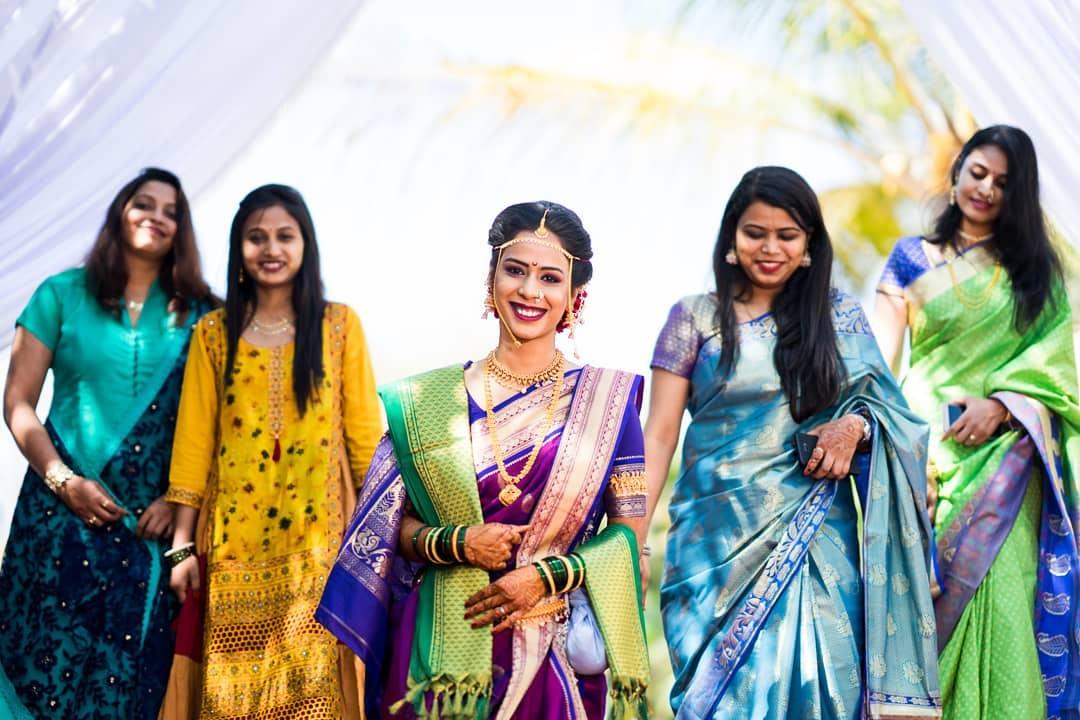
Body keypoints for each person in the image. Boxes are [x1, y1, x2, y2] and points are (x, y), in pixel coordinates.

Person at [316, 201, 650, 719]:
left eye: (549, 278)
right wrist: (454, 540)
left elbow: (627, 537)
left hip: (553, 649)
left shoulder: (608, 401)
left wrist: (547, 576)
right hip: (438, 653)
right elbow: (381, 527)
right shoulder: (429, 402)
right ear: (491, 279)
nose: (530, 291)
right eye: (515, 271)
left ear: (574, 298)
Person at [645, 166, 941, 719]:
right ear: (731, 236)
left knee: (824, 682)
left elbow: (892, 415)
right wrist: (634, 537)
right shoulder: (694, 318)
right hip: (712, 549)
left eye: (788, 235)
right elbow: (658, 435)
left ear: (809, 245)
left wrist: (852, 426)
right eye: (756, 233)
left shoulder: (838, 317)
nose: (771, 248)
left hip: (817, 537)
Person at [874, 125, 1080, 719]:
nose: (987, 189)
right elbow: (876, 369)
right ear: (957, 170)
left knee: (1006, 606)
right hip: (923, 462)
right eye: (979, 172)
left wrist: (1005, 406)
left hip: (1009, 467)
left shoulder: (1036, 273)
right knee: (915, 623)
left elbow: (1058, 374)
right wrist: (892, 452)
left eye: (1005, 183)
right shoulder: (911, 257)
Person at [0, 167, 214, 719]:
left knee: (123, 687)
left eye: (172, 211)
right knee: (33, 673)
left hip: (148, 532)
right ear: (120, 212)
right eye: (144, 203)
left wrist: (179, 498)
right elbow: (18, 401)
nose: (157, 216)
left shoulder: (203, 317)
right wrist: (62, 480)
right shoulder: (61, 294)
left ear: (181, 230)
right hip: (56, 523)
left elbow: (219, 427)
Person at [163, 184, 382, 719]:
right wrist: (181, 548)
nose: (271, 249)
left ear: (305, 244)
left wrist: (378, 541)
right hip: (234, 549)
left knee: (316, 695)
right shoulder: (214, 334)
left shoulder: (338, 327)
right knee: (233, 696)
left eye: (285, 236)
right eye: (255, 237)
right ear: (238, 248)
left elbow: (363, 440)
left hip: (321, 551)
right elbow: (194, 444)